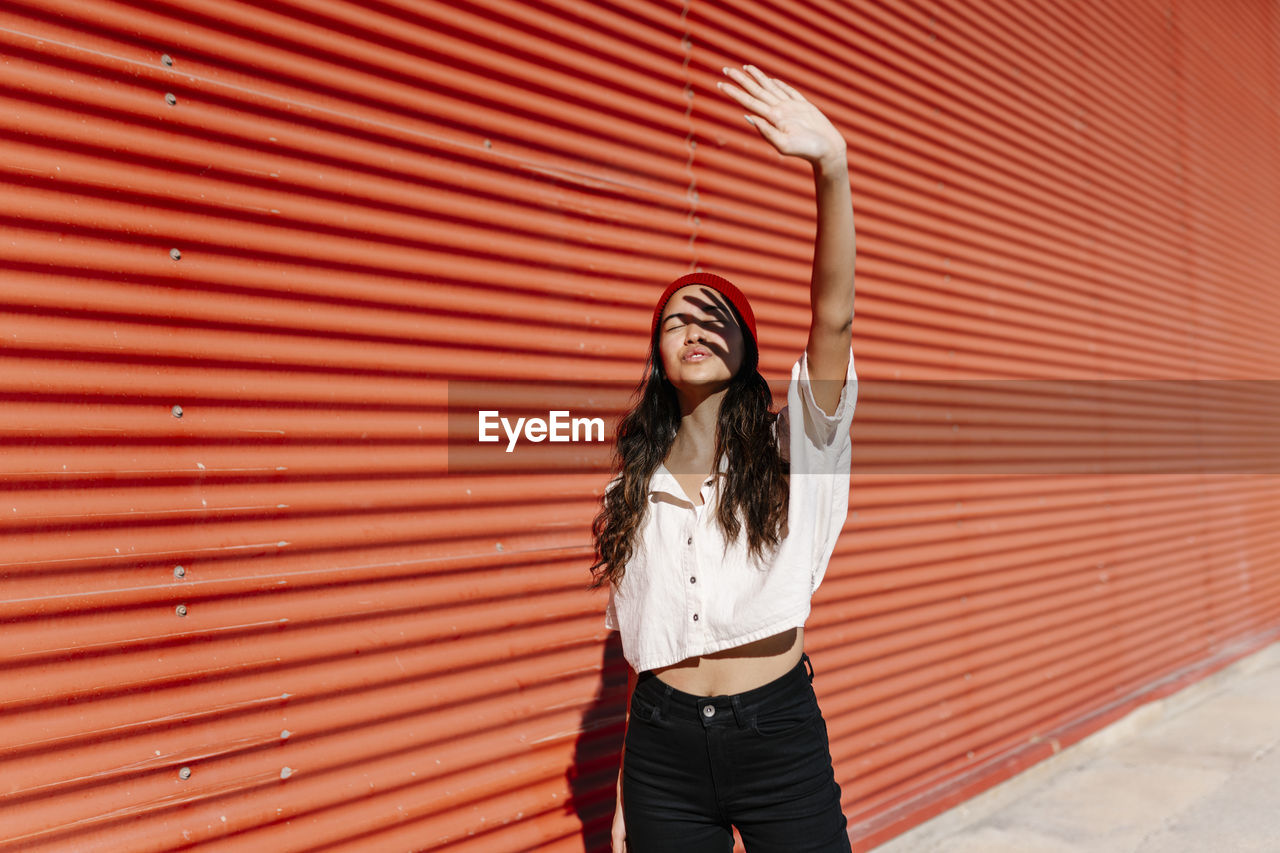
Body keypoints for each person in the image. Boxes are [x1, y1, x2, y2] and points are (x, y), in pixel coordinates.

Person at [589, 64, 857, 852]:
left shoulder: (794, 448)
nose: (696, 328)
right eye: (677, 319)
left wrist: (830, 168)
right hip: (662, 751)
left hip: (776, 731)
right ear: (657, 352)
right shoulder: (629, 485)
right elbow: (651, 641)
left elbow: (833, 315)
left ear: (744, 350)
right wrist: (623, 794)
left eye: (716, 317)